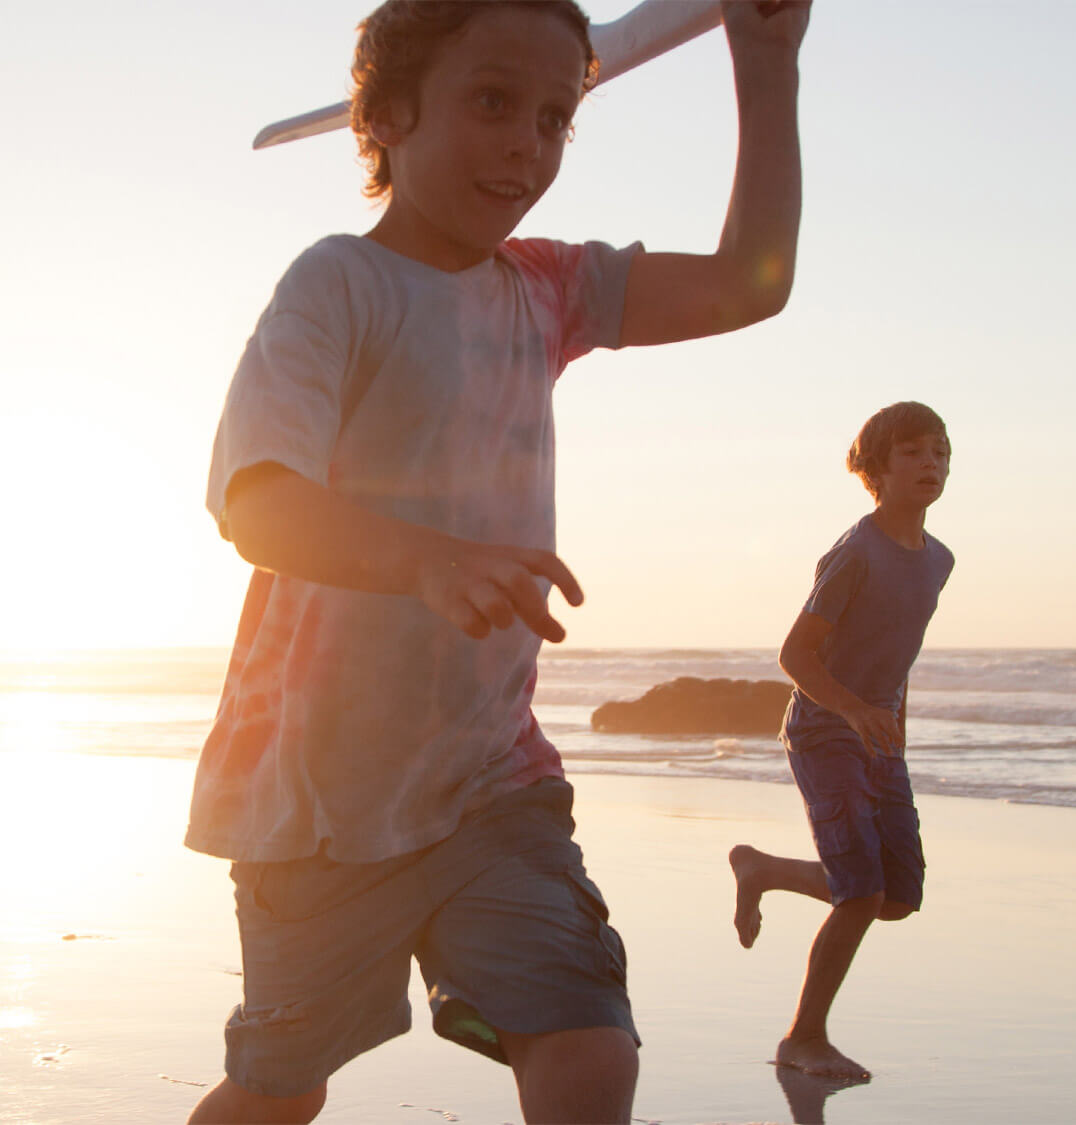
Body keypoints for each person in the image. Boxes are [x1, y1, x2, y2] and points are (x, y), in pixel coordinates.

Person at [185, 2, 808, 1122]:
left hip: (491, 783)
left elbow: (748, 282)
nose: (527, 144)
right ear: (386, 116)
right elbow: (258, 503)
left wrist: (764, 63)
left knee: (588, 1050)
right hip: (316, 804)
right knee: (280, 1092)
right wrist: (425, 561)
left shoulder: (546, 288)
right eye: (491, 102)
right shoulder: (338, 284)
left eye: (555, 117)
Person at [728, 401, 955, 1082]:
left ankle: (764, 869)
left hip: (877, 736)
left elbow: (897, 655)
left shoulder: (939, 559)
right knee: (859, 891)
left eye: (940, 451)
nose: (931, 463)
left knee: (896, 896)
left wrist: (895, 730)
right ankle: (804, 1038)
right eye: (913, 452)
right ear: (876, 470)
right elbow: (794, 655)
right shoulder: (855, 553)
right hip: (824, 730)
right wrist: (854, 710)